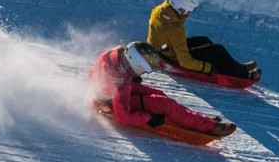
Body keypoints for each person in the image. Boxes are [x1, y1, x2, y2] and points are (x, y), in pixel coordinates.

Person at [93, 42, 237, 137]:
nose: (143, 73)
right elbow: (122, 117)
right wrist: (149, 118)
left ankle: (198, 120)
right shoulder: (120, 84)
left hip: (104, 90)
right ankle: (209, 127)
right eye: (142, 70)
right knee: (165, 105)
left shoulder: (113, 54)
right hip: (111, 100)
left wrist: (130, 77)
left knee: (158, 94)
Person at [147, 0, 259, 79]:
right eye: (189, 11)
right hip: (170, 56)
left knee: (204, 41)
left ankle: (235, 67)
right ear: (181, 9)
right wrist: (208, 68)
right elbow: (185, 61)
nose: (190, 14)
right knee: (218, 50)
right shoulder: (175, 28)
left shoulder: (160, 10)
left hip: (161, 48)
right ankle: (243, 74)